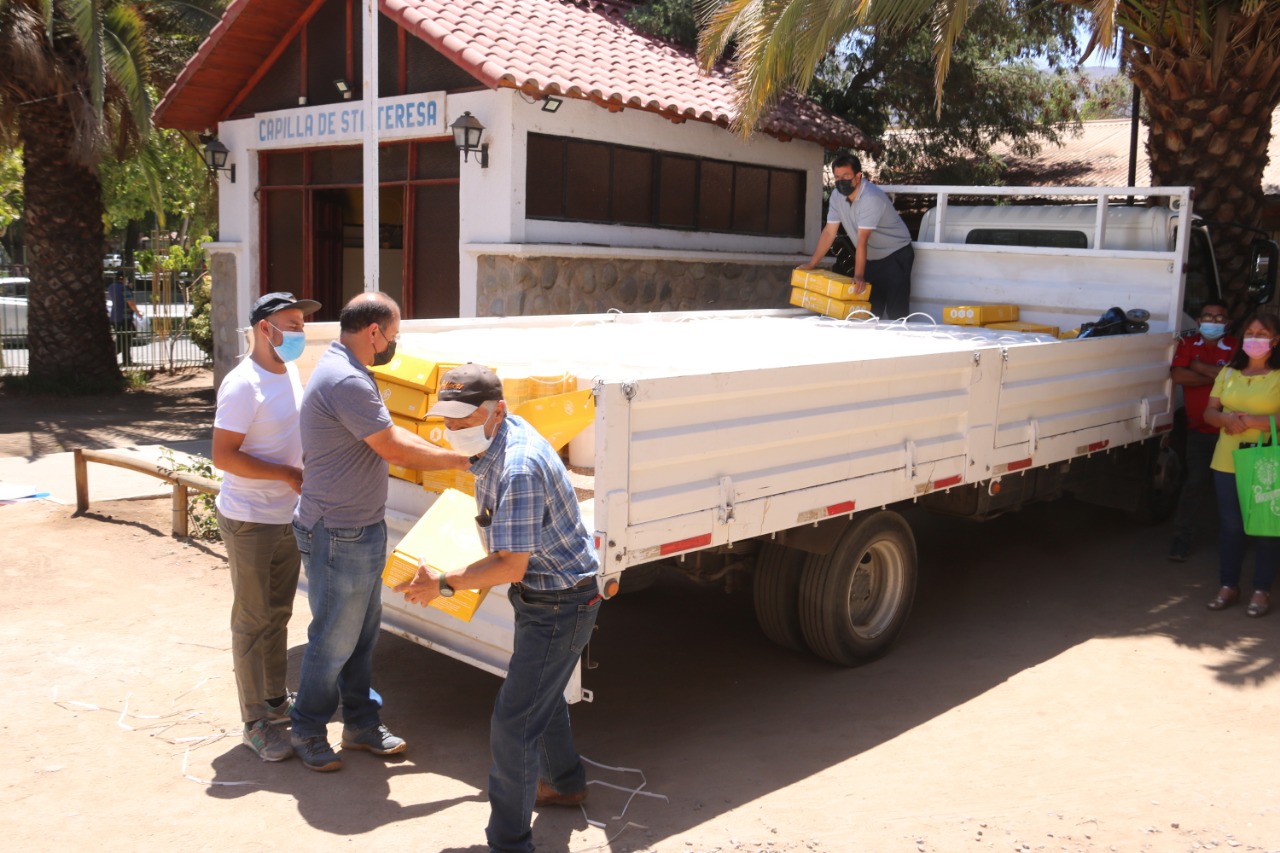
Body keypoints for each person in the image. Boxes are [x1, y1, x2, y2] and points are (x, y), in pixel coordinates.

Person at [396, 364, 601, 853]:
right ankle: (566, 783)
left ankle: (510, 843)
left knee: (513, 724)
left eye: (465, 421)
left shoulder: (519, 467)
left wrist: (443, 583)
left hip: (559, 603)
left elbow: (510, 565)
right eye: (449, 421)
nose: (455, 431)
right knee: (538, 695)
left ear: (497, 413)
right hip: (547, 597)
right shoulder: (497, 442)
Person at [289, 292, 471, 772]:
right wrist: (462, 459)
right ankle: (307, 728)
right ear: (373, 332)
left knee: (361, 634)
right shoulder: (347, 379)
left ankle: (361, 724)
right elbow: (391, 447)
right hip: (340, 531)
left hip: (353, 526)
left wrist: (448, 445)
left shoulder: (343, 368)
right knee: (333, 638)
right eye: (393, 334)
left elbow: (388, 434)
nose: (394, 343)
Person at [212, 291, 320, 762]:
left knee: (278, 614)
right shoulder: (242, 385)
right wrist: (285, 475)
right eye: (291, 324)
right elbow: (223, 456)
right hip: (250, 519)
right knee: (253, 620)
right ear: (264, 329)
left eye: (301, 323)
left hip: (286, 516)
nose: (299, 331)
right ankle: (254, 721)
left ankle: (276, 699)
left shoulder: (290, 371)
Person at [1202, 313, 1280, 617]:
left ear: (1275, 340)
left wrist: (1256, 421)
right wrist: (1225, 419)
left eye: (1262, 333)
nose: (1255, 338)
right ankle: (1228, 586)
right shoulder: (1228, 373)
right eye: (1250, 332)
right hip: (1227, 460)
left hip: (1267, 463)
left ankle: (1261, 591)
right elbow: (1210, 412)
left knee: (1266, 527)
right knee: (1231, 527)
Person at [798, 153, 914, 320]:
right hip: (872, 258)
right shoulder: (837, 197)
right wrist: (812, 263)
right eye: (837, 177)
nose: (841, 181)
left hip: (896, 255)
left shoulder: (871, 198)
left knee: (897, 312)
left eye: (846, 176)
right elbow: (830, 232)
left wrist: (858, 275)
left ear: (858, 176)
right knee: (868, 313)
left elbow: (862, 240)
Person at [1168, 300, 1237, 561]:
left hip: (1231, 432)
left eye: (1220, 318)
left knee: (1234, 489)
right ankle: (1181, 539)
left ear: (1228, 322)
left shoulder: (1235, 346)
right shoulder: (1187, 344)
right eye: (1208, 317)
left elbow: (1238, 379)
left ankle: (1235, 540)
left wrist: (1197, 368)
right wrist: (1219, 375)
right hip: (1199, 432)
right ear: (1198, 321)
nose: (1213, 322)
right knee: (1194, 485)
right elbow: (1178, 377)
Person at [106, 273, 140, 366]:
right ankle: (122, 360)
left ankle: (126, 361)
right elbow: (130, 302)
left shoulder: (111, 287)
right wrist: (138, 313)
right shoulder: (124, 288)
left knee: (121, 339)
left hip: (114, 316)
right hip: (124, 317)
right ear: (124, 279)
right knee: (125, 340)